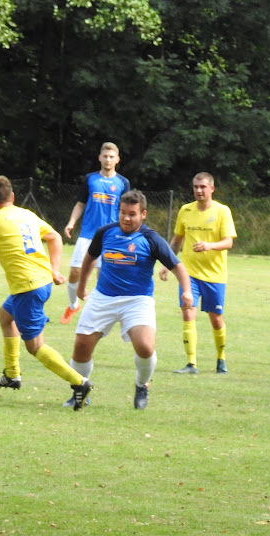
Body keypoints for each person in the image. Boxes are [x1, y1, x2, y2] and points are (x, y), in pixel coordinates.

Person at [65, 190, 193, 410]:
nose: (126, 218)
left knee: (145, 347)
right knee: (81, 347)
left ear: (143, 214)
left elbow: (178, 267)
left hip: (137, 300)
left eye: (132, 214)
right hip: (103, 297)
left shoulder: (151, 238)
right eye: (123, 213)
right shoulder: (105, 232)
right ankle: (80, 390)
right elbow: (89, 259)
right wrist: (82, 286)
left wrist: (186, 291)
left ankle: (142, 384)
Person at [0, 175, 92, 411]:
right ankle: (12, 374)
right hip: (40, 281)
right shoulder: (26, 214)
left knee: (35, 346)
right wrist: (55, 269)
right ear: (13, 197)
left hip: (27, 287)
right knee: (5, 317)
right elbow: (54, 237)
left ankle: (79, 383)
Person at [159, 172, 236, 375]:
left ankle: (221, 359)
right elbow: (177, 240)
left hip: (214, 275)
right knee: (187, 311)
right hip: (189, 274)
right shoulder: (186, 210)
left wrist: (209, 245)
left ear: (212, 188)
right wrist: (168, 263)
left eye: (203, 187)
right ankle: (191, 363)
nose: (199, 191)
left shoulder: (222, 211)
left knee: (216, 319)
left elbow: (229, 241)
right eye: (195, 187)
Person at [60, 142, 130, 325]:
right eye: (105, 156)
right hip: (88, 234)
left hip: (112, 235)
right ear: (99, 158)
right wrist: (71, 223)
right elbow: (81, 203)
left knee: (103, 275)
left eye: (111, 156)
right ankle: (73, 304)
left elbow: (127, 209)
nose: (108, 159)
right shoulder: (90, 179)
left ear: (117, 159)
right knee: (75, 271)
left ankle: (99, 312)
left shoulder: (123, 183)